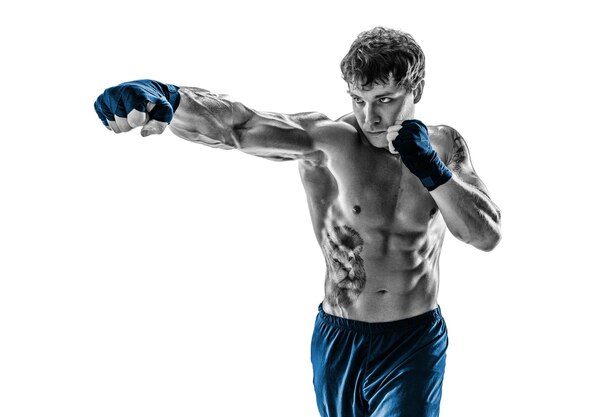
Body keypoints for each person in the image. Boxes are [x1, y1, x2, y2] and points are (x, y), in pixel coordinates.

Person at [94, 26, 501, 417]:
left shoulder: (444, 145)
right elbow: (241, 126)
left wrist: (430, 169)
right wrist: (170, 96)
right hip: (340, 337)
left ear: (417, 90)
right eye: (358, 99)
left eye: (385, 99)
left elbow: (485, 235)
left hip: (414, 341)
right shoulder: (329, 141)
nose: (370, 117)